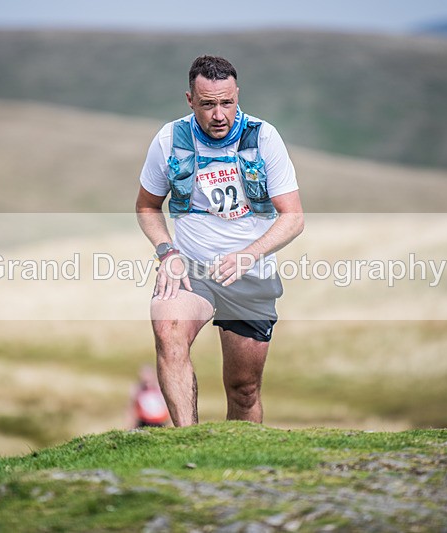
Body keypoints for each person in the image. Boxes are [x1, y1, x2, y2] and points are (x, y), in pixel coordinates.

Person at [136, 55, 304, 427]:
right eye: (208, 104)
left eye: (227, 102)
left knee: (244, 390)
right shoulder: (169, 140)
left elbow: (293, 217)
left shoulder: (263, 138)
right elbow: (147, 207)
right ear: (190, 100)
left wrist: (249, 255)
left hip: (249, 273)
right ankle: (187, 443)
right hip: (191, 267)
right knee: (168, 329)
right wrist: (168, 252)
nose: (219, 114)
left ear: (237, 95)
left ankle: (241, 468)